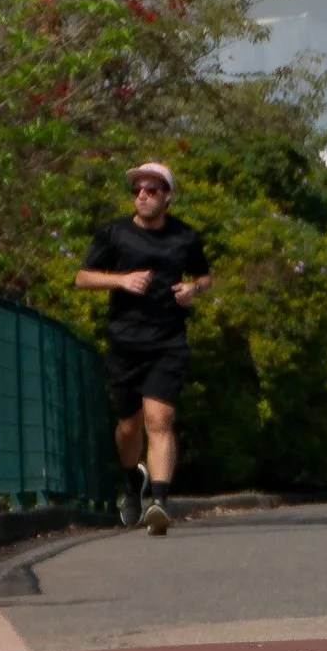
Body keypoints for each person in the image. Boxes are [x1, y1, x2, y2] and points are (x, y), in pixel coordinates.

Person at [75, 161, 209, 536]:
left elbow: (204, 275)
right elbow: (82, 277)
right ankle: (132, 485)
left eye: (151, 190)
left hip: (168, 341)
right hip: (125, 342)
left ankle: (160, 503)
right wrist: (121, 280)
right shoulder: (114, 233)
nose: (143, 196)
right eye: (137, 191)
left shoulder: (185, 237)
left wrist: (193, 290)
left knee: (159, 421)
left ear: (167, 196)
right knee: (128, 426)